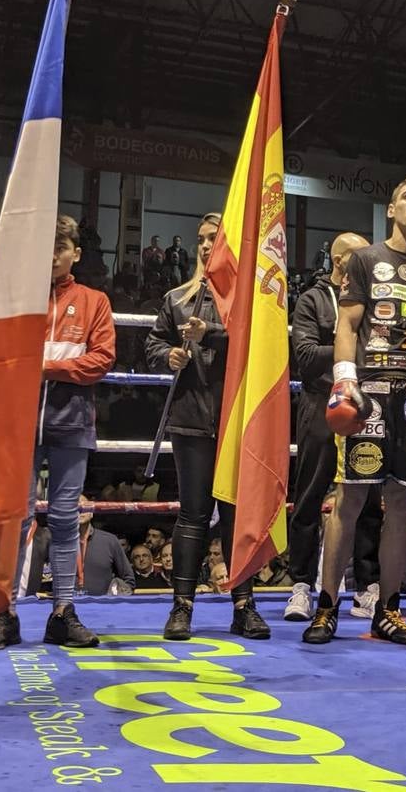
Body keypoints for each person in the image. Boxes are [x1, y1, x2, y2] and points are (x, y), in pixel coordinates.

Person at [304, 175, 406, 645]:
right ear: (392, 211)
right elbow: (349, 323)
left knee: (403, 505)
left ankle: (388, 610)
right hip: (371, 390)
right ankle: (327, 606)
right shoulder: (365, 260)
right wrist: (344, 380)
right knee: (350, 499)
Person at [0, 214, 116, 652]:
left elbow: (102, 359)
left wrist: (46, 368)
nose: (53, 255)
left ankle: (62, 612)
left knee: (67, 516)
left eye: (61, 246)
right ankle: (4, 612)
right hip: (17, 423)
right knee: (14, 519)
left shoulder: (94, 301)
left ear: (75, 253)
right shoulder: (19, 300)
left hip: (71, 422)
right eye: (47, 247)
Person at [145, 213, 270, 640]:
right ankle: (181, 608)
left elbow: (255, 341)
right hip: (191, 418)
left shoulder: (244, 301)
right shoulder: (178, 296)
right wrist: (168, 357)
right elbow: (153, 342)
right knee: (193, 515)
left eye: (213, 239)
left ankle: (244, 604)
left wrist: (209, 334)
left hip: (236, 420)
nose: (204, 245)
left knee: (237, 515)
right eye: (200, 239)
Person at [286, 232, 384, 622]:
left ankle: (367, 587)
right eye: (360, 258)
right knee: (309, 497)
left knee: (367, 500)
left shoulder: (374, 301)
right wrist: (352, 344)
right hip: (319, 403)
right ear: (340, 261)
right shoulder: (312, 299)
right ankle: (300, 587)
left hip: (365, 405)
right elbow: (306, 356)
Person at [77, 500, 133, 596]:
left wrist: (113, 601)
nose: (81, 511)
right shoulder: (59, 542)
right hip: (67, 604)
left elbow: (128, 579)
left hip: (103, 607)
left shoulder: (109, 541)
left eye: (84, 507)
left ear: (91, 513)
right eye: (77, 508)